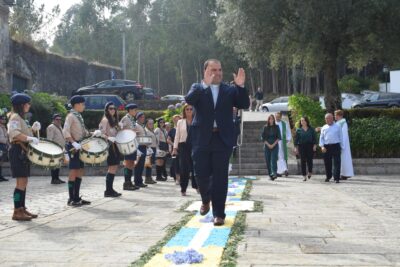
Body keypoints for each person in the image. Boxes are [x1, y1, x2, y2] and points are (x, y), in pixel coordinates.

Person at [186, 59, 249, 226]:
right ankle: (206, 200)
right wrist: (205, 85)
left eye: (220, 69)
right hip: (201, 138)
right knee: (201, 174)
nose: (218, 73)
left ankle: (219, 214)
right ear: (205, 71)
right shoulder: (197, 88)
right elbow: (190, 100)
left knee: (220, 178)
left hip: (222, 139)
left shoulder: (229, 90)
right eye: (213, 70)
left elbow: (244, 104)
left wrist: (241, 87)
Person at [8, 93, 40, 220]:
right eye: (27, 104)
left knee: (24, 182)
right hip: (17, 150)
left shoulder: (21, 118)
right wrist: (30, 138)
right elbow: (14, 133)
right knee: (20, 183)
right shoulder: (15, 117)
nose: (29, 106)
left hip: (22, 151)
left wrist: (33, 129)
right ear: (22, 105)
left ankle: (22, 208)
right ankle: (17, 211)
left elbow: (23, 132)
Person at [63, 95, 93, 206]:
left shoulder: (78, 116)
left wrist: (94, 133)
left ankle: (77, 197)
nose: (84, 106)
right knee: (73, 171)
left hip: (80, 145)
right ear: (77, 104)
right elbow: (65, 131)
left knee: (80, 170)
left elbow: (83, 131)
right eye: (83, 104)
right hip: (73, 146)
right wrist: (73, 142)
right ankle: (71, 198)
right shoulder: (70, 116)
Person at [172, 104, 198, 196]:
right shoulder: (180, 122)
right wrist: (175, 148)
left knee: (196, 166)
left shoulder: (197, 120)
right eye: (187, 109)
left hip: (195, 145)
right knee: (184, 168)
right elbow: (177, 136)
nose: (189, 110)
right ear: (184, 111)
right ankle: (183, 188)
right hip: (183, 146)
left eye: (191, 109)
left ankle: (196, 186)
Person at [99, 102, 122, 197]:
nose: (112, 110)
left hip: (115, 145)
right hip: (110, 145)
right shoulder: (105, 120)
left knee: (114, 167)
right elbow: (100, 133)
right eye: (110, 108)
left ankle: (110, 189)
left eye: (114, 108)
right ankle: (108, 190)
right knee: (112, 167)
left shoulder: (114, 120)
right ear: (106, 110)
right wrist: (109, 138)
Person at [119, 104, 140, 191]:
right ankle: (126, 183)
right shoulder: (126, 118)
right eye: (134, 110)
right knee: (128, 162)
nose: (136, 111)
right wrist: (132, 131)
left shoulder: (132, 119)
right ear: (130, 110)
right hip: (127, 143)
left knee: (131, 163)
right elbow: (121, 129)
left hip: (132, 143)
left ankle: (129, 182)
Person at [319, 113, 344, 183]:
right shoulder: (324, 127)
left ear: (332, 118)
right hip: (326, 147)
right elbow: (321, 138)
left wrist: (342, 147)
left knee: (337, 162)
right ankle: (328, 176)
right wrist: (322, 146)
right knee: (327, 163)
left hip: (336, 146)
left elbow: (341, 137)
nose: (328, 120)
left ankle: (336, 178)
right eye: (326, 119)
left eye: (329, 118)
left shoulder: (338, 126)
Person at [294, 116, 317, 181]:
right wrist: (296, 148)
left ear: (306, 121)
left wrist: (315, 145)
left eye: (303, 120)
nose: (302, 122)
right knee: (302, 161)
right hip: (301, 146)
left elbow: (314, 138)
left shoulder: (311, 129)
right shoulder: (298, 130)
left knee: (310, 160)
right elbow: (296, 140)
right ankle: (304, 175)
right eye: (301, 121)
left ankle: (310, 172)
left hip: (310, 146)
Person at [46, 114, 66, 184]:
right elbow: (50, 139)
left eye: (60, 119)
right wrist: (51, 149)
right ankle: (53, 179)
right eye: (57, 119)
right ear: (53, 120)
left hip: (60, 148)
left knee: (58, 164)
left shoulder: (59, 126)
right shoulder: (51, 127)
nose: (59, 121)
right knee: (54, 164)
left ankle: (57, 178)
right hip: (54, 149)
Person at [334, 110, 354, 180]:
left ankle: (345, 174)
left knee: (344, 159)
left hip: (343, 145)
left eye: (335, 115)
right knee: (341, 160)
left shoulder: (343, 123)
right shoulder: (339, 123)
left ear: (339, 116)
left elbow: (344, 135)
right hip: (340, 143)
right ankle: (342, 174)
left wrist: (342, 145)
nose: (335, 116)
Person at [261, 114, 281, 180]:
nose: (271, 120)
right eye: (270, 119)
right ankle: (270, 175)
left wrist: (273, 145)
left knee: (273, 160)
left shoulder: (277, 127)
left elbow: (279, 137)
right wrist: (268, 145)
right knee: (268, 160)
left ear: (274, 120)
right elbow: (263, 138)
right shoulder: (265, 127)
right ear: (268, 120)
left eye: (272, 119)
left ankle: (274, 173)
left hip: (275, 145)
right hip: (267, 146)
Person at [133, 112, 149, 187]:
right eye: (142, 117)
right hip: (139, 147)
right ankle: (137, 182)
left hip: (144, 146)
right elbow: (134, 135)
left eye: (144, 117)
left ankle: (140, 181)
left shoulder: (142, 125)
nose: (143, 119)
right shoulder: (135, 125)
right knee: (138, 165)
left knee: (141, 165)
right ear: (138, 118)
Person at [275, 112, 292, 177]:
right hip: (275, 142)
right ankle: (284, 170)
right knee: (279, 156)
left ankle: (280, 172)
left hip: (282, 142)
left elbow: (288, 132)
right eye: (276, 116)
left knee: (281, 156)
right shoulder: (273, 124)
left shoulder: (284, 124)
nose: (277, 118)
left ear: (281, 117)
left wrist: (288, 138)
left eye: (278, 116)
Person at [168, 115, 182, 185]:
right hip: (175, 149)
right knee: (176, 163)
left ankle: (183, 178)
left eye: (178, 120)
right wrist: (174, 145)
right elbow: (168, 140)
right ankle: (177, 179)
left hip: (184, 149)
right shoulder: (172, 130)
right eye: (175, 120)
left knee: (183, 163)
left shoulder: (184, 128)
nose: (177, 121)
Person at [144, 118, 157, 184]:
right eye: (150, 123)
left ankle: (149, 178)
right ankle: (147, 178)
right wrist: (148, 149)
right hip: (150, 149)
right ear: (146, 124)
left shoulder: (152, 130)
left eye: (152, 123)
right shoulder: (146, 131)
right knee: (149, 164)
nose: (151, 125)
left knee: (150, 164)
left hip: (153, 148)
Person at [0, 114, 9, 182]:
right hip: (0, 144)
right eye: (3, 119)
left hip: (4, 145)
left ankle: (1, 176)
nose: (4, 120)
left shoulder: (3, 127)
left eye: (5, 119)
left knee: (1, 162)